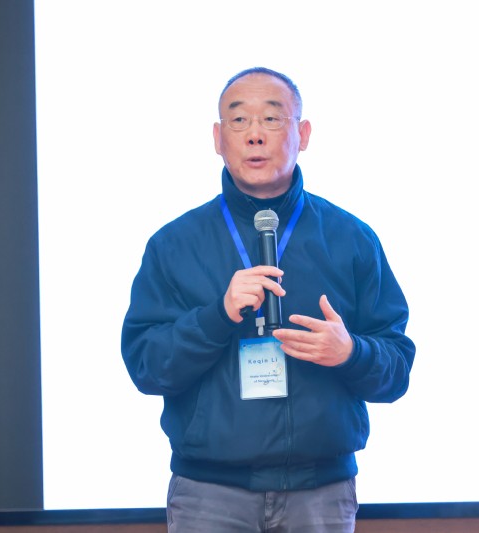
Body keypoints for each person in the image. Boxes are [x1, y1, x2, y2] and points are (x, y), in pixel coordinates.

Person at [121, 67, 416, 532]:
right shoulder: (174, 244)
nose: (254, 135)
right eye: (239, 121)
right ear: (218, 138)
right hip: (209, 495)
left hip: (320, 494)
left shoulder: (352, 239)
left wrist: (351, 352)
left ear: (303, 134)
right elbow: (146, 367)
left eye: (272, 119)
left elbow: (397, 371)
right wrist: (217, 317)